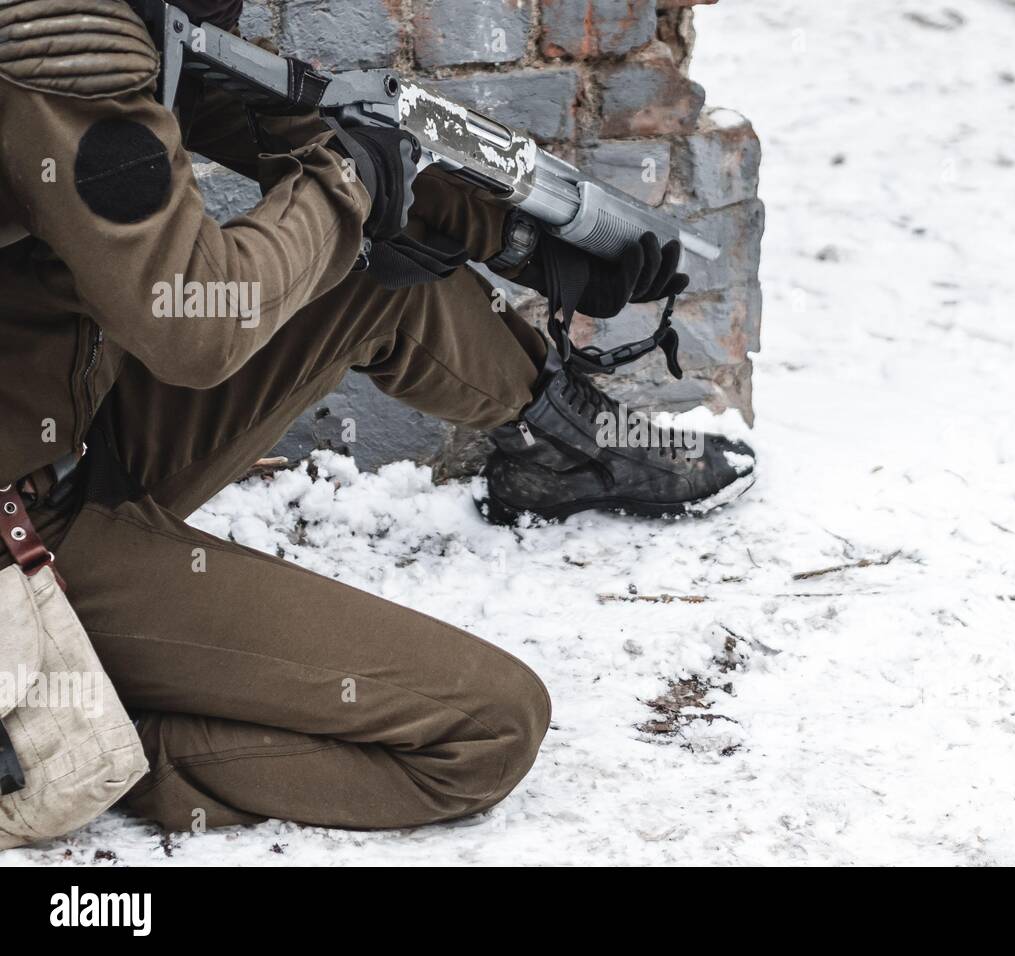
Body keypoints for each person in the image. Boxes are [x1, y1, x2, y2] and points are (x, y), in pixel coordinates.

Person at [0, 0, 754, 831]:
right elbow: (194, 322)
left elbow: (261, 116)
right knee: (488, 729)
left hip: (76, 443)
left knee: (374, 271)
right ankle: (90, 740)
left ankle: (564, 448)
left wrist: (518, 235)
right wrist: (353, 181)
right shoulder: (53, 42)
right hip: (24, 547)